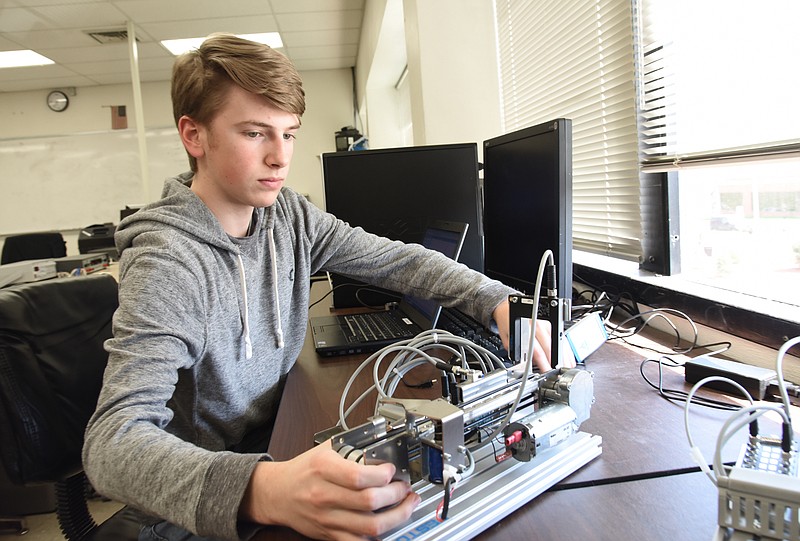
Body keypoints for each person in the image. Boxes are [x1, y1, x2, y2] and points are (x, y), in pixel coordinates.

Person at [82, 33, 553, 541]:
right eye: (255, 133)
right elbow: (112, 443)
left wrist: (495, 298)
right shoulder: (168, 261)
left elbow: (396, 260)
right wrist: (266, 490)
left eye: (289, 134)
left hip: (274, 445)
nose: (280, 158)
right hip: (198, 503)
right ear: (194, 136)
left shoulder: (287, 215)